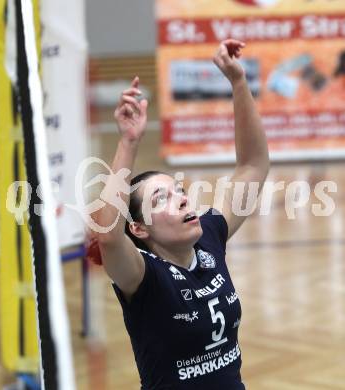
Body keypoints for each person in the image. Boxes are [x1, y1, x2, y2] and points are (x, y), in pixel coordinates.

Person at [88, 39, 269, 389]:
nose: (183, 200)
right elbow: (109, 234)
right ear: (139, 228)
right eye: (161, 199)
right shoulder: (143, 277)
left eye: (180, 192)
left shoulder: (210, 240)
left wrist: (238, 83)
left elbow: (252, 165)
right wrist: (128, 142)